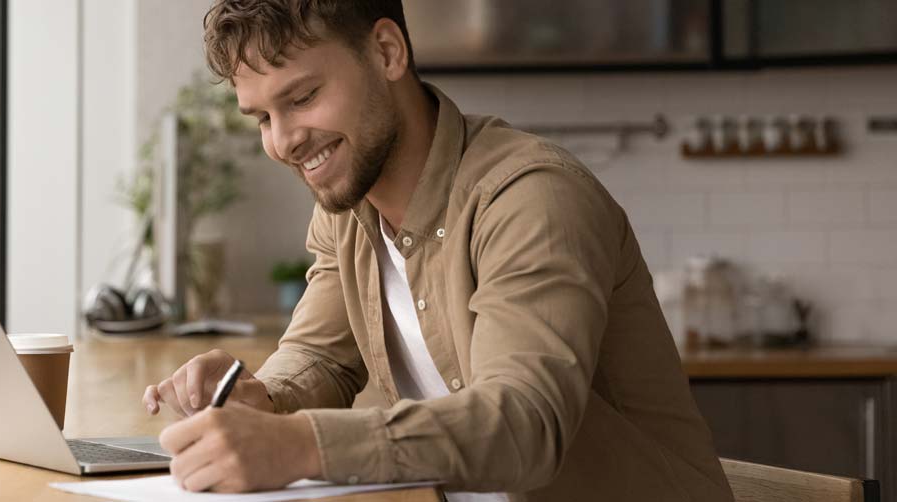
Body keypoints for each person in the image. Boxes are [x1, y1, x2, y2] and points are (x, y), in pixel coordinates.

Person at [142, 1, 734, 500]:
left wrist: (302, 445)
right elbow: (322, 358)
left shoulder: (532, 197)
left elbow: (524, 422)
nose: (284, 141)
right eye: (263, 118)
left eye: (302, 98)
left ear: (387, 52)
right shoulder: (347, 210)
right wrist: (256, 399)